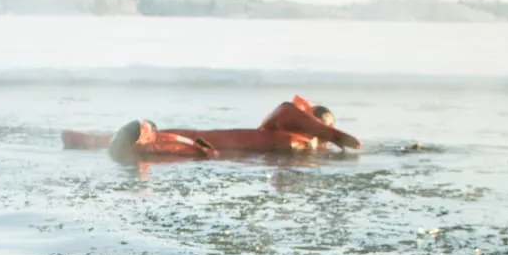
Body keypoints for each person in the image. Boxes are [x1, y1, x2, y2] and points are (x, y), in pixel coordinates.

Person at [62, 96, 362, 162]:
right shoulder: (289, 128)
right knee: (162, 137)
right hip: (205, 141)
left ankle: (130, 139)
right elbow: (287, 109)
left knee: (166, 141)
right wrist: (333, 135)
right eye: (320, 123)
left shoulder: (301, 145)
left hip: (207, 148)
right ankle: (96, 140)